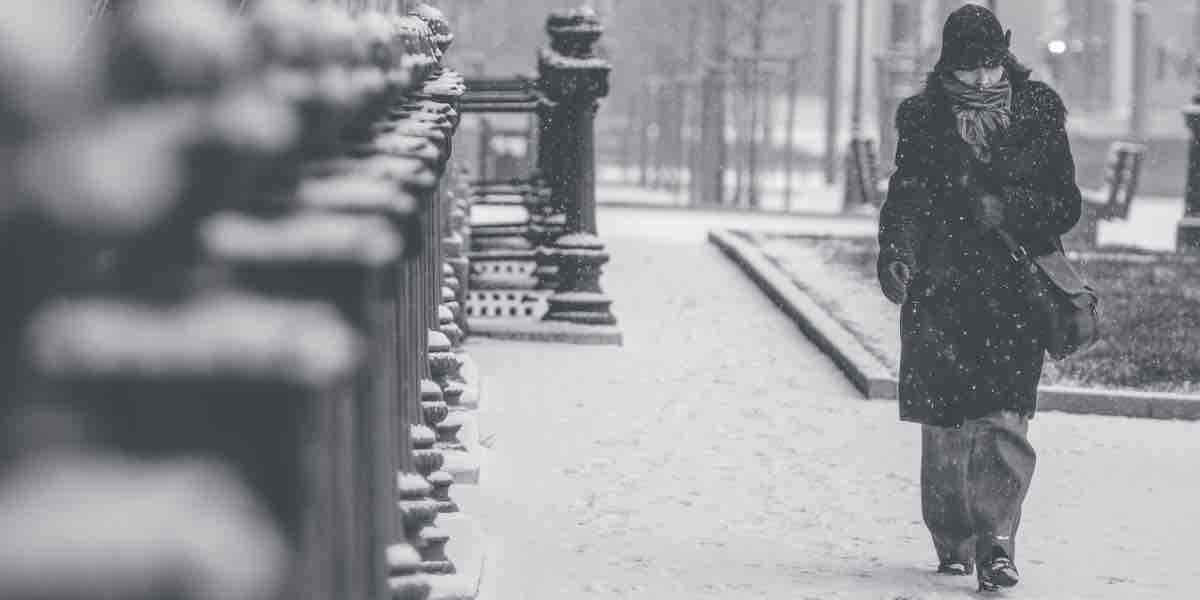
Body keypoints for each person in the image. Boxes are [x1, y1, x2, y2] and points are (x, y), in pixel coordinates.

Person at [875, 4, 1081, 593]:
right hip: (943, 291)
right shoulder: (924, 120)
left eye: (992, 66)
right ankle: (953, 537)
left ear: (1005, 57)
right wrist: (896, 254)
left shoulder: (1040, 115)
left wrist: (1008, 208)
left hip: (1013, 291)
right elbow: (907, 198)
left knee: (1004, 422)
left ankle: (996, 543)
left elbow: (1065, 204)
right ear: (949, 66)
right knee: (945, 429)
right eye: (970, 70)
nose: (983, 81)